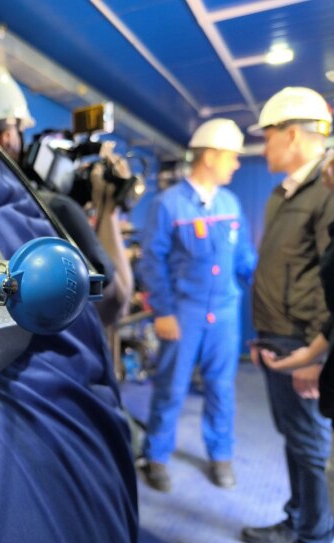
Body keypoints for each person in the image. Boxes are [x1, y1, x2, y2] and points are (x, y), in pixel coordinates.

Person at [0, 60, 134, 326]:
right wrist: (108, 208)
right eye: (20, 131)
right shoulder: (54, 210)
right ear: (7, 137)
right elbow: (114, 305)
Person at [138, 118, 257, 492]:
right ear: (210, 156)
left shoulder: (230, 203)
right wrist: (163, 312)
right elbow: (152, 262)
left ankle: (221, 455)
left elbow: (244, 258)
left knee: (221, 387)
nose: (236, 164)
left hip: (225, 313)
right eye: (231, 156)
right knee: (171, 387)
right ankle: (156, 456)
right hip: (183, 313)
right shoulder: (168, 204)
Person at [241, 87, 334, 543]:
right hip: (278, 335)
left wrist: (319, 354)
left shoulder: (327, 191)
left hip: (304, 341)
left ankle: (315, 538)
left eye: (268, 136)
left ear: (292, 134)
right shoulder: (283, 193)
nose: (264, 148)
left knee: (310, 444)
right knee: (294, 436)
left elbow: (331, 278)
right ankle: (297, 520)